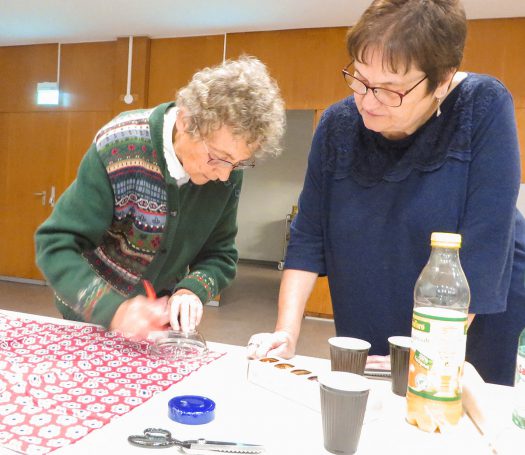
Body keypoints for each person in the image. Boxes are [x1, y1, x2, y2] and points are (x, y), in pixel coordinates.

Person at [247, 0, 525, 386]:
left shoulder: (483, 106)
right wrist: (286, 331)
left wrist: (428, 354)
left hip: (467, 312)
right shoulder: (337, 124)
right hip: (374, 286)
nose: (368, 100)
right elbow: (309, 236)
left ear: (442, 80)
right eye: (359, 79)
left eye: (391, 89)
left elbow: (486, 240)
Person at [36, 56, 285, 339]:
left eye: (238, 163)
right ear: (185, 120)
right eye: (219, 158)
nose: (225, 175)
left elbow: (220, 254)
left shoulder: (226, 174)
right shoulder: (121, 145)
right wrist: (115, 311)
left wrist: (193, 289)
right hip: (90, 316)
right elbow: (55, 245)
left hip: (158, 324)